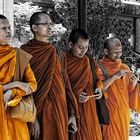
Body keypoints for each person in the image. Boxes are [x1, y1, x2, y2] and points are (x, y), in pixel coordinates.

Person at [21, 12, 78, 140]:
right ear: (35, 28)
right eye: (45, 24)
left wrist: (72, 112)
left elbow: (65, 83)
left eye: (50, 24)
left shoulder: (58, 52)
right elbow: (22, 87)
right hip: (38, 109)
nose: (50, 27)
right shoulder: (24, 52)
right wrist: (33, 118)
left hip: (59, 108)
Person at [0, 14, 37, 140]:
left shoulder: (18, 55)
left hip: (14, 115)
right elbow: (23, 85)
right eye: (3, 28)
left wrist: (12, 92)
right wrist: (15, 84)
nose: (9, 31)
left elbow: (32, 85)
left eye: (9, 27)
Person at [97, 37, 140, 140]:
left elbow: (130, 93)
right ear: (106, 51)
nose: (118, 55)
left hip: (123, 113)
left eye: (120, 52)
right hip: (109, 113)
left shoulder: (124, 67)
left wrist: (133, 84)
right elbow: (99, 87)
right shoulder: (99, 67)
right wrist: (115, 76)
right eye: (115, 52)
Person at [66, 29, 103, 140]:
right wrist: (76, 95)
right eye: (80, 48)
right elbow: (60, 87)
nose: (83, 51)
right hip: (72, 108)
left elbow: (97, 79)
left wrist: (99, 88)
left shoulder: (89, 60)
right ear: (71, 44)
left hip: (90, 108)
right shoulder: (62, 61)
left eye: (86, 48)